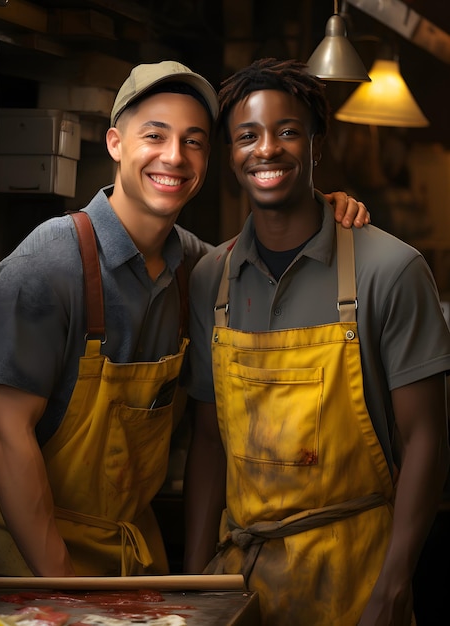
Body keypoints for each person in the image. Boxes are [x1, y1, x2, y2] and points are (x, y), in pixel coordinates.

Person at [0, 60, 367, 578]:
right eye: (155, 136)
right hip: (29, 569)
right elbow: (6, 433)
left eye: (194, 141)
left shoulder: (200, 271)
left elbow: (274, 270)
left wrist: (324, 212)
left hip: (134, 564)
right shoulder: (45, 266)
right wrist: (68, 590)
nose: (174, 157)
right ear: (116, 143)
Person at [183, 57, 450, 625]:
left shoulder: (391, 270)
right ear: (231, 155)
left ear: (315, 146)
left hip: (357, 581)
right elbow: (208, 443)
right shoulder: (212, 277)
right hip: (241, 588)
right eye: (246, 136)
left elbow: (427, 439)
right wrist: (193, 584)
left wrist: (392, 589)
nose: (267, 149)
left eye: (288, 132)